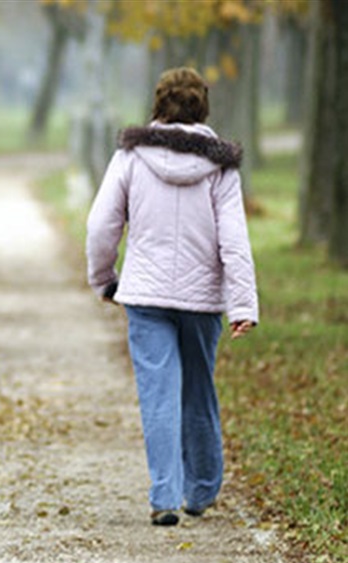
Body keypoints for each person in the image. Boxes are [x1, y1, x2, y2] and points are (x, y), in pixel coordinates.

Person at [85, 67, 259, 527]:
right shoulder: (220, 165)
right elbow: (234, 239)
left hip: (146, 293)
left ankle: (164, 494)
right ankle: (200, 491)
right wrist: (243, 304)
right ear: (203, 107)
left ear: (158, 105)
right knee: (198, 389)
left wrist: (104, 278)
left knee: (158, 393)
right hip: (202, 299)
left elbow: (101, 224)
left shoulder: (131, 156)